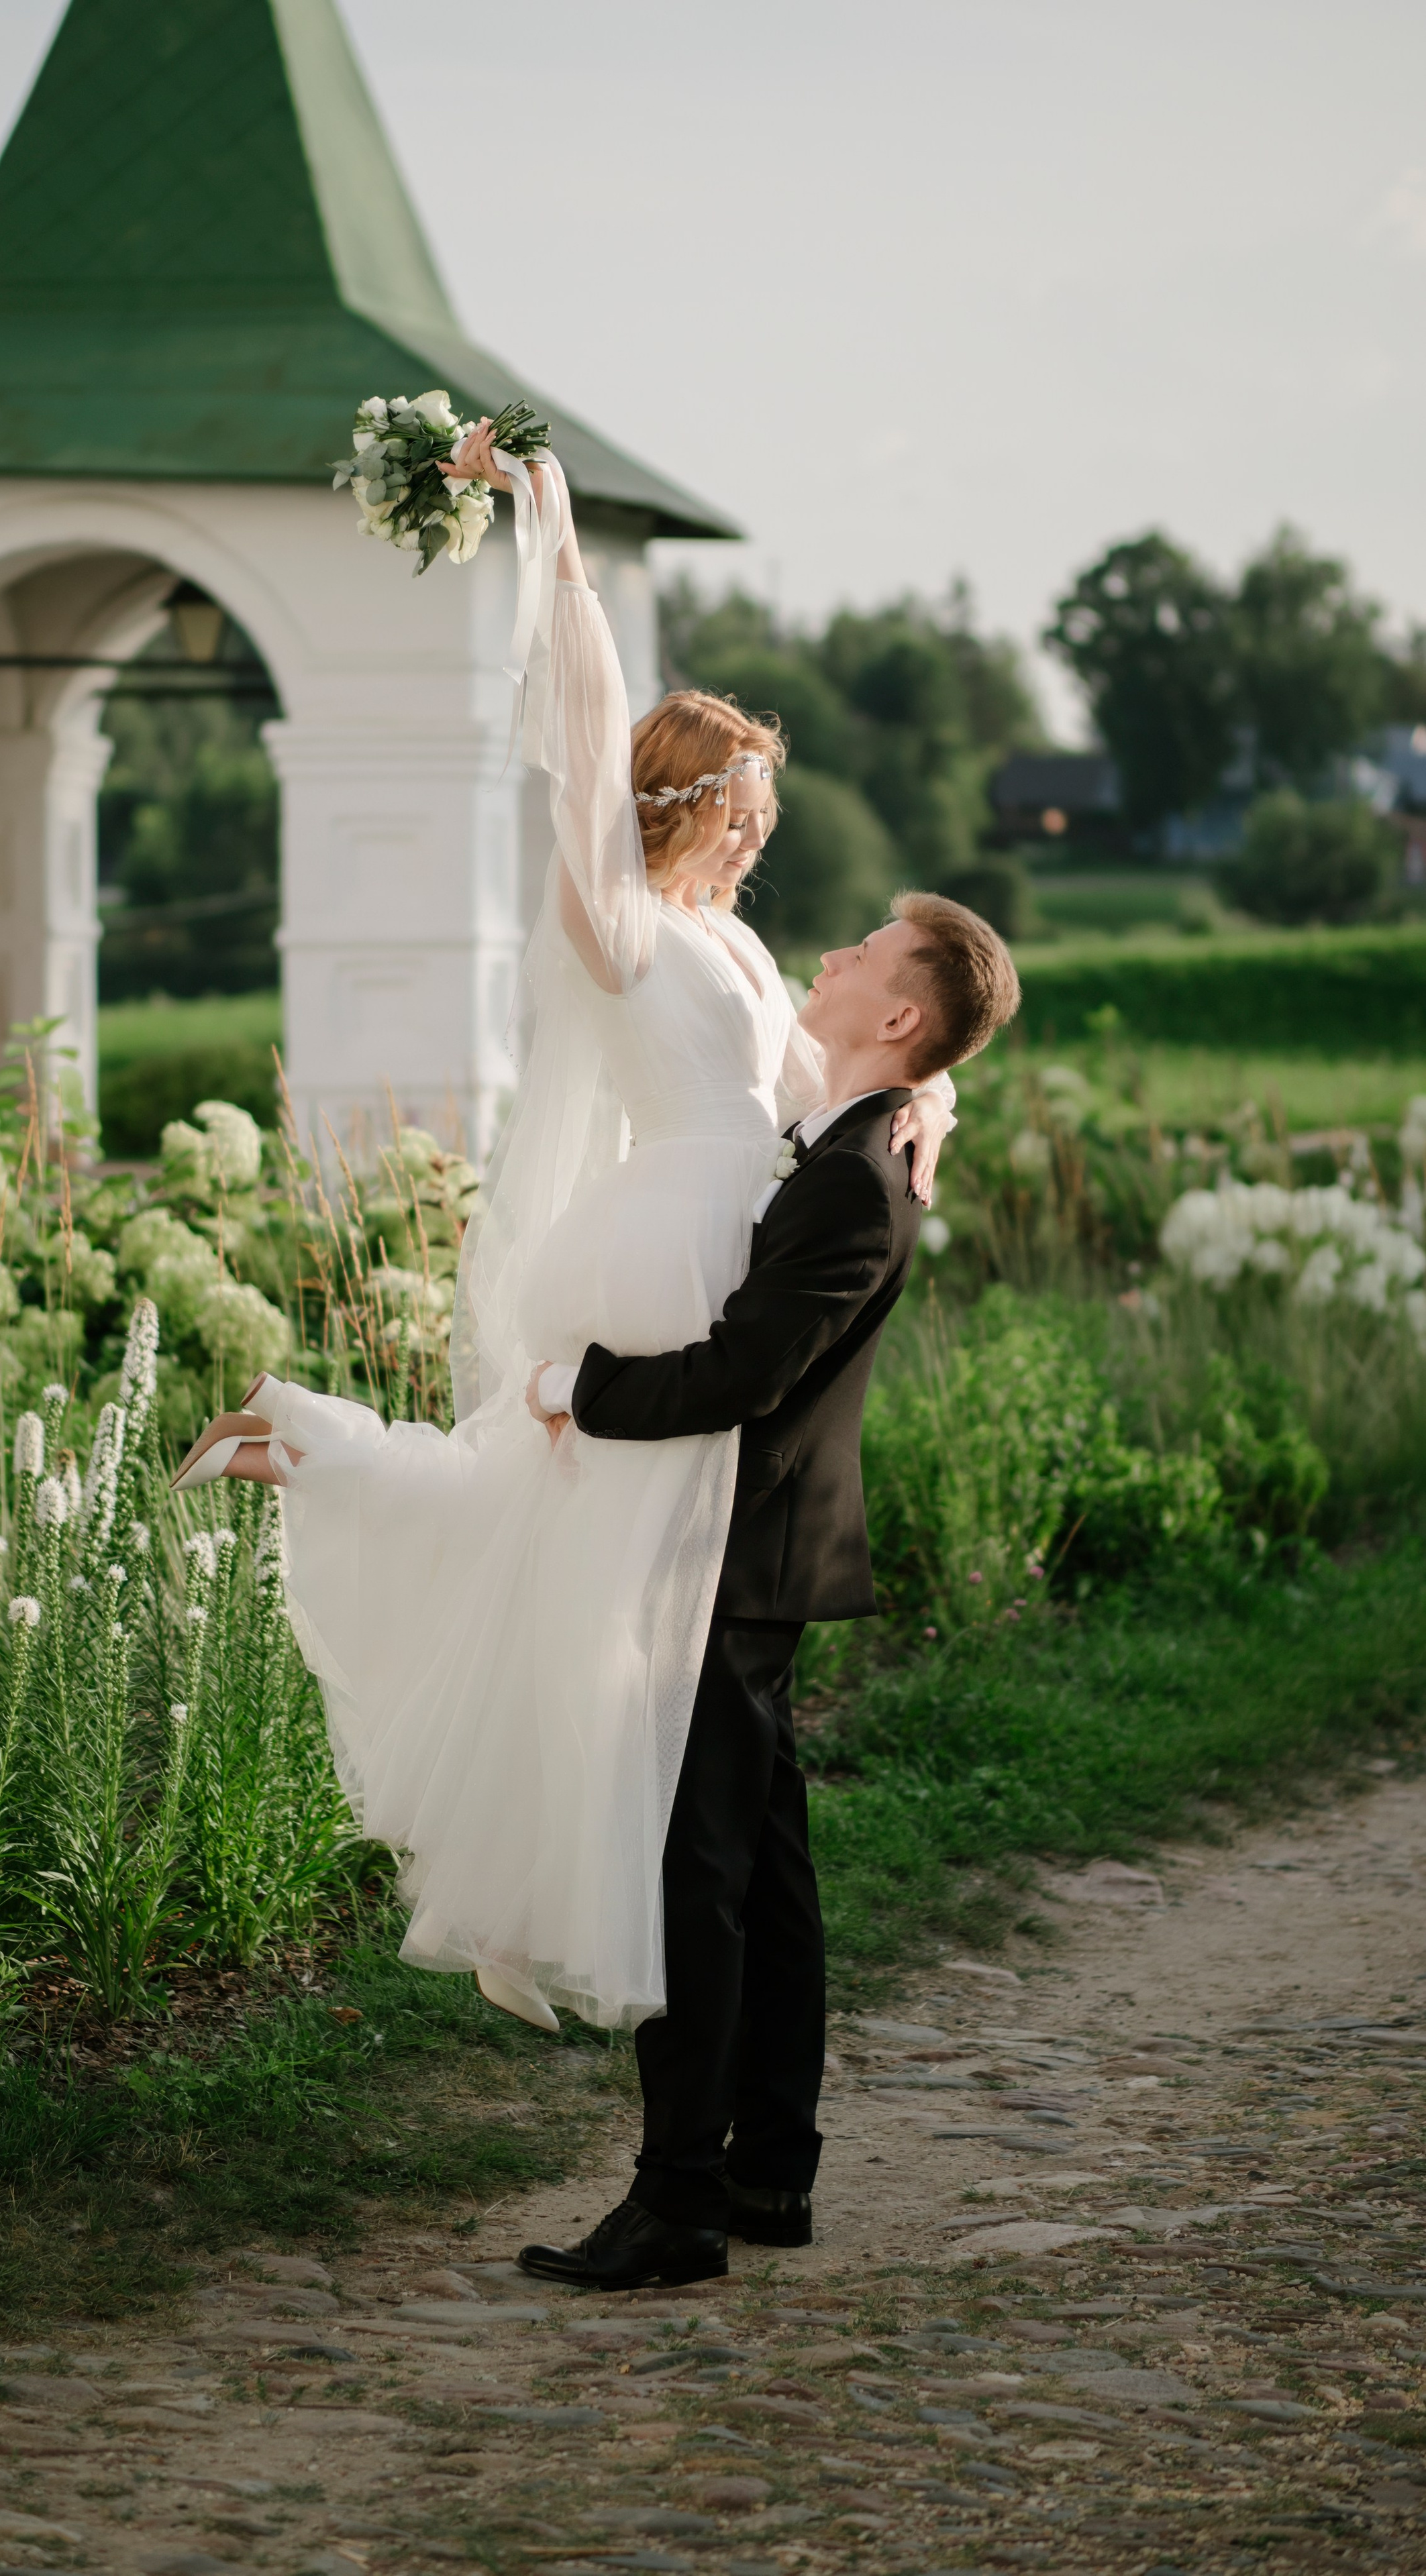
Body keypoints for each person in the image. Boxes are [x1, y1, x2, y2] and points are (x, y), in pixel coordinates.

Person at [170, 426, 956, 2037]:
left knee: (555, 1552)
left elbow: (825, 1085)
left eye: (764, 809)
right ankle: (591, 1887)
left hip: (733, 1230)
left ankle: (304, 1447)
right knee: (586, 1579)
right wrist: (555, 533)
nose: (759, 832)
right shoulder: (616, 927)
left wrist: (931, 1096)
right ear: (684, 799)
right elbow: (580, 741)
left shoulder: (734, 949)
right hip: (669, 1241)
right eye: (743, 805)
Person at [514, 894, 1021, 2290]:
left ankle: (677, 2200)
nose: (833, 953)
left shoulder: (855, 1177)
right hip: (761, 1551)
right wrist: (936, 1094)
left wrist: (571, 1388)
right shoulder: (863, 1139)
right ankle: (767, 2172)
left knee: (698, 1878)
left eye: (866, 953)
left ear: (899, 1015)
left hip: (735, 1559)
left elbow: (743, 1372)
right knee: (769, 1875)